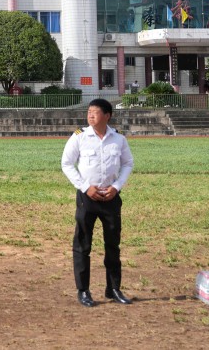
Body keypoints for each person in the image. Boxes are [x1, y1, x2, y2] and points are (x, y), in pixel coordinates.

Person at [61, 98, 135, 307]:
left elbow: (128, 163)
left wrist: (117, 186)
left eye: (95, 112)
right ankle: (83, 290)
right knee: (83, 244)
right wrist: (85, 187)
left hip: (111, 197)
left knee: (113, 244)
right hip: (88, 197)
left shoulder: (118, 139)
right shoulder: (80, 137)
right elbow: (66, 163)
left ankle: (113, 289)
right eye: (89, 112)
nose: (90, 115)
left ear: (107, 116)